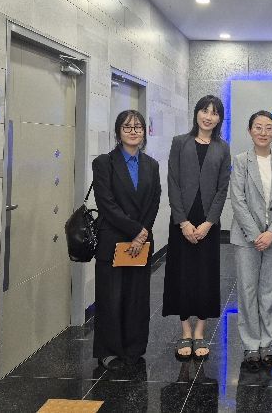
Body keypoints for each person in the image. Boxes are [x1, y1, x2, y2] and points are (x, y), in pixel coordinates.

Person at [91, 110, 161, 370]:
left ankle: (134, 348)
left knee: (136, 297)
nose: (133, 131)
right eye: (127, 127)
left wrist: (142, 234)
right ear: (118, 132)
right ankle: (108, 351)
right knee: (111, 297)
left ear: (144, 132)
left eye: (138, 127)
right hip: (113, 240)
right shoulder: (104, 163)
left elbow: (154, 201)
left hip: (140, 243)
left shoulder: (151, 164)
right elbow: (106, 203)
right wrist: (135, 231)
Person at [162, 95, 231, 360]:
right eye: (204, 111)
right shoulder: (180, 142)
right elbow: (173, 182)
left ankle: (200, 330)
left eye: (214, 113)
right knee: (181, 274)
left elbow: (222, 189)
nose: (208, 116)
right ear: (196, 113)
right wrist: (183, 222)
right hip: (183, 220)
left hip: (208, 223)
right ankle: (185, 331)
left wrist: (208, 223)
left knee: (205, 275)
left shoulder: (222, 148)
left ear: (219, 118)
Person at [230, 110, 272, 372]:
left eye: (268, 128)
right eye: (258, 127)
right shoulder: (241, 161)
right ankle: (251, 344)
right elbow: (238, 200)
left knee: (270, 290)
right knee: (247, 290)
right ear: (250, 130)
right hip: (246, 238)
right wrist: (256, 235)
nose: (263, 132)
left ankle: (266, 343)